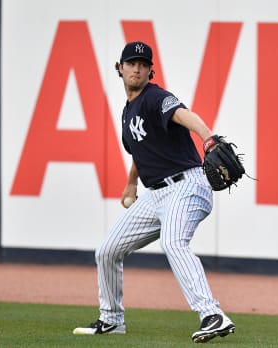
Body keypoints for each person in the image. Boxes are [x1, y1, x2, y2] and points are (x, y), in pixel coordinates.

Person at [73, 41, 235, 343]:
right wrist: (131, 182)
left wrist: (208, 138)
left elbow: (185, 115)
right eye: (131, 63)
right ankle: (111, 320)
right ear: (119, 69)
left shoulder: (154, 97)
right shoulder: (128, 113)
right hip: (156, 194)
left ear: (151, 70)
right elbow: (141, 148)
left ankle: (212, 315)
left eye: (143, 64)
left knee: (173, 242)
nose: (137, 68)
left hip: (186, 185)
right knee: (107, 251)